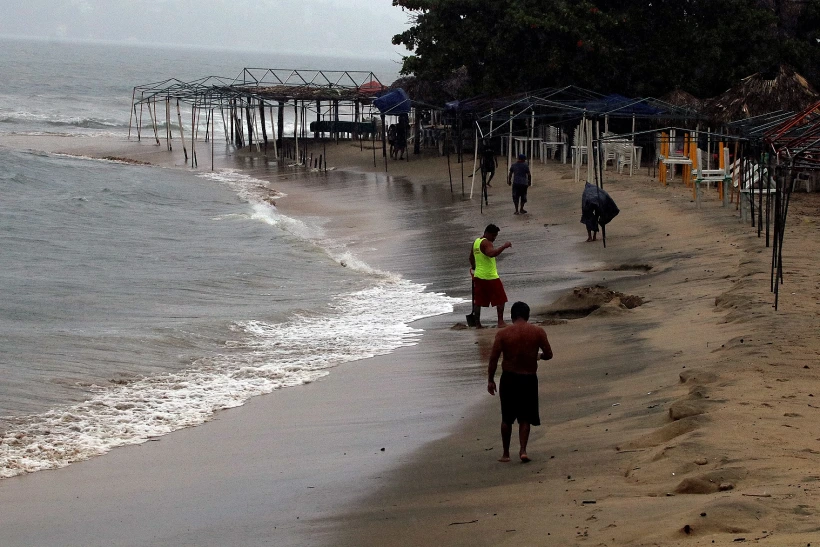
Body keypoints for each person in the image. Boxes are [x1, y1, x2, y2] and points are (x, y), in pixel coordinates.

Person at [487, 301, 553, 463]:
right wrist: (539, 356)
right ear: (527, 315)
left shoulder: (503, 334)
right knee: (525, 417)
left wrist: (490, 380)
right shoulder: (537, 332)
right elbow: (549, 354)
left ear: (512, 316)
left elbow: (493, 359)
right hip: (529, 378)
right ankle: (523, 450)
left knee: (506, 418)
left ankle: (505, 454)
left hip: (509, 378)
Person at [468, 224, 511, 328]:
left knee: (478, 301)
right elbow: (491, 254)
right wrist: (504, 246)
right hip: (490, 276)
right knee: (501, 299)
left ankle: (478, 324)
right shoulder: (487, 243)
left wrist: (475, 267)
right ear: (486, 233)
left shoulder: (476, 242)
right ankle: (500, 322)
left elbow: (471, 257)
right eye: (493, 235)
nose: (494, 238)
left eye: (495, 235)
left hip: (478, 276)